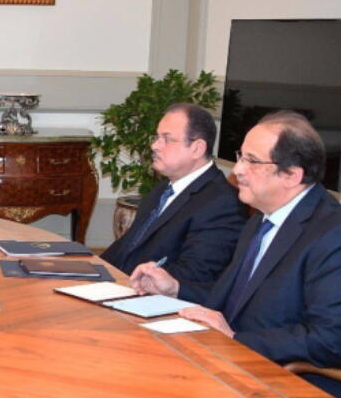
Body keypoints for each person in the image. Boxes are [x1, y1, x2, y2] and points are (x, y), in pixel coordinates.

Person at [131, 111, 341, 398]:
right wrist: (174, 288)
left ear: (292, 175)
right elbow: (231, 299)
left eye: (252, 161)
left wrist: (236, 338)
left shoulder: (339, 236)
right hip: (233, 364)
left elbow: (330, 341)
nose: (237, 169)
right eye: (241, 157)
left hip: (296, 389)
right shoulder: (260, 220)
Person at [101, 103, 246, 281]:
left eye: (167, 139)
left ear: (197, 148)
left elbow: (196, 274)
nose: (155, 146)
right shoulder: (163, 188)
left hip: (152, 300)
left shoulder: (221, 204)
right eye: (156, 137)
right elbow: (126, 247)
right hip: (118, 286)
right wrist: (90, 271)